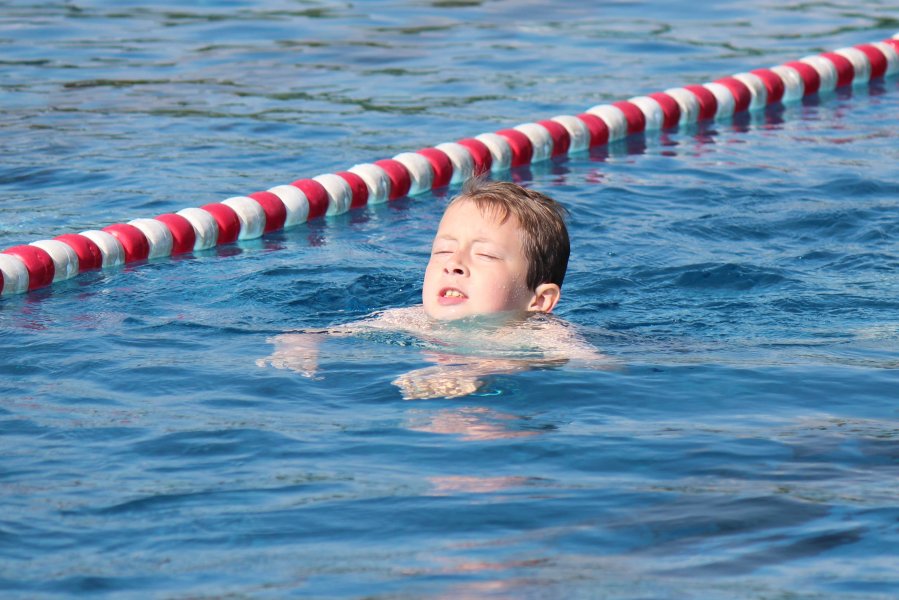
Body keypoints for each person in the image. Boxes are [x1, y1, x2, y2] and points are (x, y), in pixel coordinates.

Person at [259, 178, 606, 399]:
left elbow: (599, 369)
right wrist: (301, 343)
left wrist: (488, 368)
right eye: (443, 251)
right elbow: (325, 333)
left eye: (484, 255)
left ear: (540, 300)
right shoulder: (410, 319)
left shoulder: (542, 336)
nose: (453, 263)